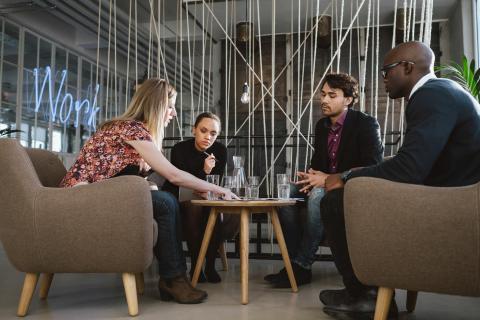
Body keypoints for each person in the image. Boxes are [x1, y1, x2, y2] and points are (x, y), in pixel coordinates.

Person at [319, 41, 480, 319]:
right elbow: (416, 160)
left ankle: (364, 295)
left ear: (407, 67)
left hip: (452, 205)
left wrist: (346, 176)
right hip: (454, 194)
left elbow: (410, 170)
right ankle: (364, 291)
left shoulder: (431, 96)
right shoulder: (442, 91)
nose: (383, 79)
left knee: (336, 200)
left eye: (386, 71)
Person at [60, 79, 237, 304]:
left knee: (164, 200)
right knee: (165, 202)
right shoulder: (131, 128)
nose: (173, 112)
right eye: (170, 106)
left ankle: (174, 278)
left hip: (102, 194)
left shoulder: (136, 130)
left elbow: (124, 176)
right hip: (83, 199)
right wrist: (218, 189)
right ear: (155, 105)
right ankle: (173, 278)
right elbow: (173, 175)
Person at [264, 73, 383, 288]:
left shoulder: (366, 124)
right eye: (323, 94)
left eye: (332, 95)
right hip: (324, 183)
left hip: (351, 187)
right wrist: (311, 177)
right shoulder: (322, 126)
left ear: (348, 99)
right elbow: (318, 162)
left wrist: (325, 179)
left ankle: (303, 265)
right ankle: (293, 263)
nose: (324, 100)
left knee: (318, 194)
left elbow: (373, 165)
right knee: (287, 192)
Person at [162, 112, 239, 283]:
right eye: (203, 131)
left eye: (213, 133)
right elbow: (183, 183)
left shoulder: (219, 150)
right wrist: (204, 171)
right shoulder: (179, 149)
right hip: (180, 198)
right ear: (194, 130)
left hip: (206, 198)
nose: (208, 137)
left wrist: (208, 178)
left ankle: (210, 266)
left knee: (214, 209)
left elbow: (215, 184)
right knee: (193, 207)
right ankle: (197, 267)